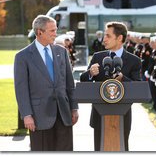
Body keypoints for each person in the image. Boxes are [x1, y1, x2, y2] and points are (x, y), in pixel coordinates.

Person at [14, 15, 79, 151]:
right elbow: (21, 89)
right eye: (52, 31)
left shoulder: (62, 52)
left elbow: (69, 83)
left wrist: (74, 108)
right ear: (39, 32)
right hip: (39, 117)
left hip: (64, 115)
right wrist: (27, 115)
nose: (56, 34)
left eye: (55, 30)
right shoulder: (22, 57)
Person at [80, 21, 142, 151]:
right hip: (99, 114)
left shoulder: (133, 60)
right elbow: (83, 80)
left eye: (108, 36)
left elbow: (138, 87)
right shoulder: (98, 57)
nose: (104, 39)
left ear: (119, 38)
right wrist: (90, 73)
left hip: (122, 115)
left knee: (122, 148)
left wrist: (122, 79)